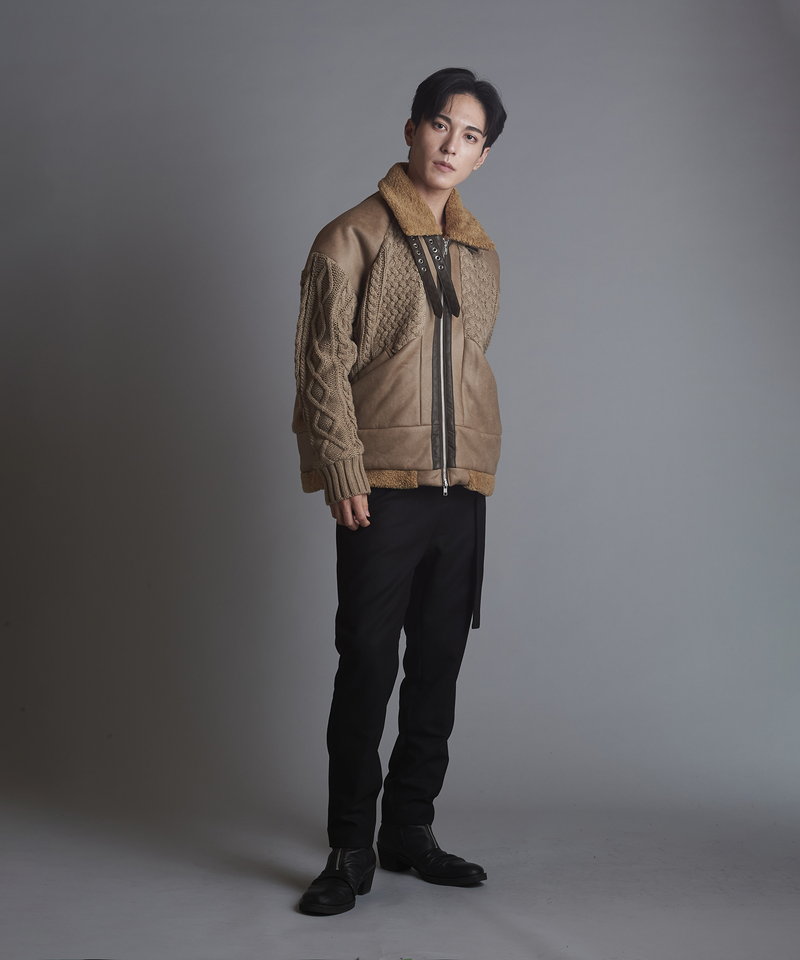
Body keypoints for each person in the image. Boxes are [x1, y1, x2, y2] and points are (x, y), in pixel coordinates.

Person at [292, 67, 507, 916]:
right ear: (413, 128)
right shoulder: (350, 235)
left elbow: (470, 361)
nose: (452, 145)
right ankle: (350, 846)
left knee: (439, 665)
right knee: (368, 664)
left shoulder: (481, 252)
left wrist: (476, 461)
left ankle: (409, 828)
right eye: (441, 125)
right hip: (381, 485)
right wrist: (342, 466)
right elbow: (322, 362)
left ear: (483, 156)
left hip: (463, 487)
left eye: (471, 136)